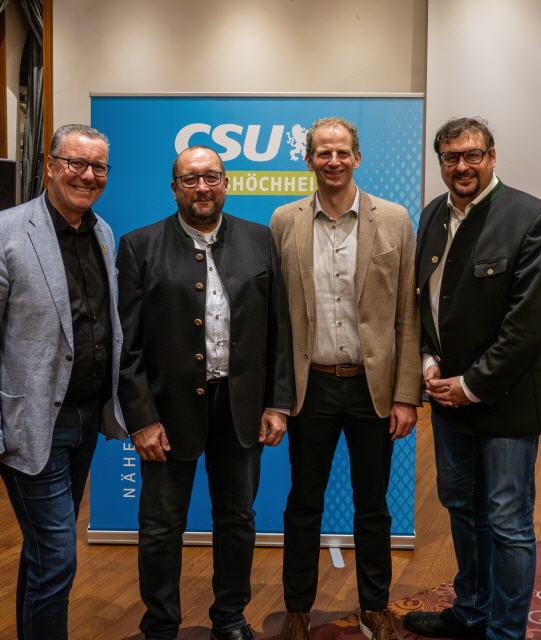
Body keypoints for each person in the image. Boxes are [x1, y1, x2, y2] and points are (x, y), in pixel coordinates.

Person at [117, 145, 293, 640]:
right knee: (160, 526)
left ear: (226, 183)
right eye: (190, 179)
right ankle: (160, 625)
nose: (202, 187)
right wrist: (141, 419)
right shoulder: (139, 245)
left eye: (211, 177)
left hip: (240, 409)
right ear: (174, 188)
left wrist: (277, 403)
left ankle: (230, 618)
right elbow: (126, 345)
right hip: (167, 413)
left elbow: (279, 330)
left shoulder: (260, 240)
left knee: (237, 519)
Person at [269, 117, 421, 640]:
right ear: (308, 159)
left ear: (357, 157)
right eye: (323, 153)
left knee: (372, 506)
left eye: (341, 153)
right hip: (309, 387)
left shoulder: (395, 219)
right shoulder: (284, 221)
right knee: (302, 503)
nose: (332, 161)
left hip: (371, 389)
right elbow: (277, 317)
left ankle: (374, 606)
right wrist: (277, 394)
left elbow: (407, 316)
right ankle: (297, 610)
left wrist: (406, 394)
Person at [404, 117, 541, 640]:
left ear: (492, 157)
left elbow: (527, 326)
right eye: (451, 157)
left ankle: (504, 632)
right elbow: (425, 302)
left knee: (507, 521)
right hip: (447, 401)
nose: (462, 166)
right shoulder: (432, 214)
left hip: (506, 402)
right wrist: (428, 361)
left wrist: (471, 385)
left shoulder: (528, 217)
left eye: (472, 155)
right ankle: (471, 611)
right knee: (461, 507)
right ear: (441, 162)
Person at [0, 124, 126, 640]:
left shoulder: (103, 233)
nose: (87, 176)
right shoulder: (8, 232)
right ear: (50, 166)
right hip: (31, 424)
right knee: (57, 557)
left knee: (43, 553)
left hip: (85, 420)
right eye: (76, 163)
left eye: (98, 167)